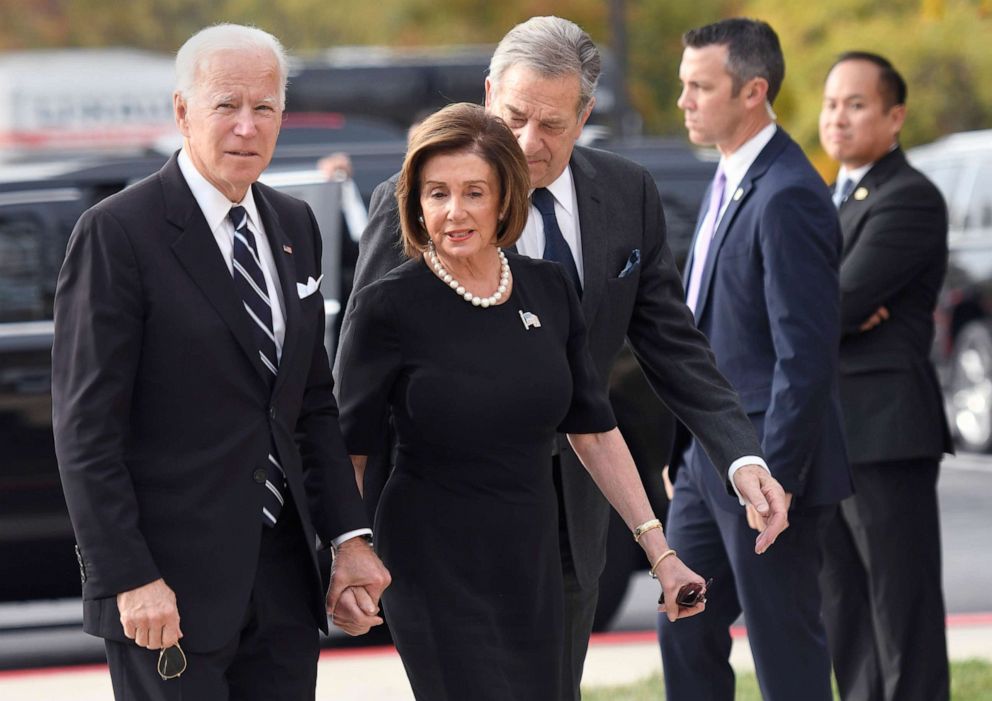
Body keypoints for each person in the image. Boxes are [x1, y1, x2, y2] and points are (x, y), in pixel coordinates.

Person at [338, 16, 789, 699]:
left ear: (585, 116)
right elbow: (355, 400)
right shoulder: (417, 204)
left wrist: (739, 453)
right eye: (515, 116)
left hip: (572, 518)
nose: (527, 142)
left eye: (552, 124)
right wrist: (348, 537)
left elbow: (670, 344)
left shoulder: (626, 195)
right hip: (436, 523)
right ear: (489, 94)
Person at [51, 24, 389, 701]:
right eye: (226, 105)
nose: (246, 126)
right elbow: (86, 430)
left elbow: (310, 404)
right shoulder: (119, 233)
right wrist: (128, 575)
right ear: (182, 111)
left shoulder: (295, 224)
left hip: (285, 583)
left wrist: (349, 538)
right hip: (163, 592)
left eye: (264, 108)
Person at [660, 18, 853, 701]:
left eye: (699, 87)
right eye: (683, 85)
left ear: (753, 91)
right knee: (684, 627)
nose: (683, 100)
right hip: (705, 464)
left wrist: (779, 478)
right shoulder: (729, 177)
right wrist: (684, 445)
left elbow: (804, 356)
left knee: (784, 649)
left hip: (769, 473)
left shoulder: (789, 192)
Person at [818, 51, 953, 701]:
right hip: (827, 432)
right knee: (845, 609)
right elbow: (807, 305)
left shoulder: (910, 197)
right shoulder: (824, 199)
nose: (838, 117)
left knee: (902, 614)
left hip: (884, 430)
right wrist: (823, 307)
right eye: (830, 103)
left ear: (895, 116)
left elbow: (832, 304)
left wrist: (822, 307)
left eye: (857, 104)